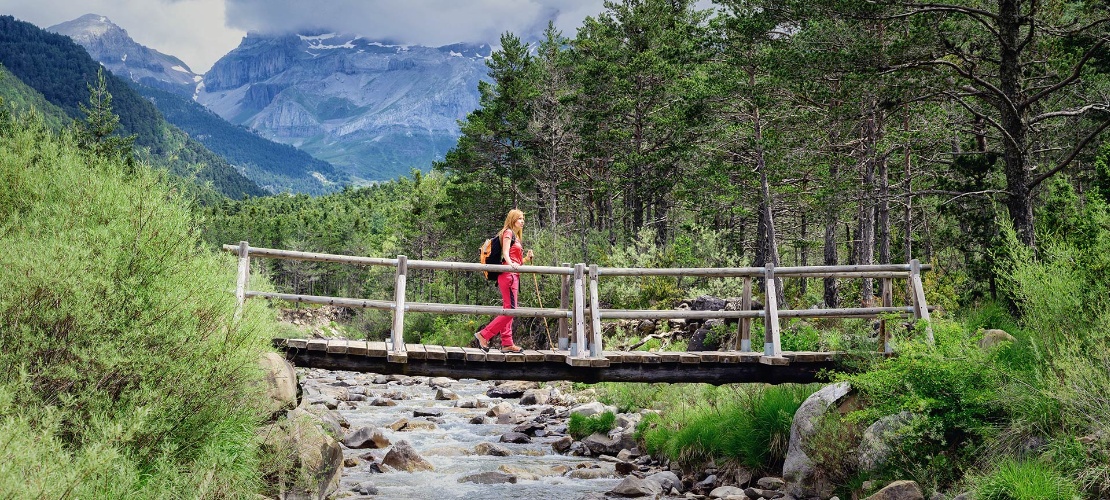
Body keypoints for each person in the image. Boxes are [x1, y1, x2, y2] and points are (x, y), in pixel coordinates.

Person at [475, 209, 534, 353]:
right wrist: (510, 264)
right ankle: (484, 335)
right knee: (511, 310)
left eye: (523, 218)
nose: (522, 221)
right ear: (512, 219)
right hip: (508, 275)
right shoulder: (508, 233)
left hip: (512, 275)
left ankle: (507, 343)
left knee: (509, 309)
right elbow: (506, 253)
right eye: (519, 218)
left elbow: (515, 260)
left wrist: (526, 259)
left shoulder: (515, 236)